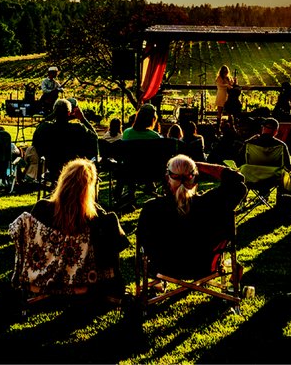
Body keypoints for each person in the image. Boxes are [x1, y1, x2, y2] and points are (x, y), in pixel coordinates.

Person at [21, 158, 129, 296]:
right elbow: (118, 248)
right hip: (85, 285)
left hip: (42, 280)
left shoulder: (41, 209)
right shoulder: (100, 220)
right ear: (90, 188)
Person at [137, 155, 247, 280]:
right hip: (203, 266)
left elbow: (144, 242)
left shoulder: (152, 208)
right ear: (195, 177)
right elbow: (237, 181)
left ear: (168, 178)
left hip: (164, 268)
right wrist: (199, 166)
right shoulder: (212, 203)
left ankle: (157, 285)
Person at [29, 99, 98, 180]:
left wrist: (53, 115)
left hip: (52, 171)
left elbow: (36, 137)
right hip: (73, 171)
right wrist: (82, 118)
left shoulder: (45, 128)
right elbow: (94, 137)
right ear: (69, 113)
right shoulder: (78, 129)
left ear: (54, 113)